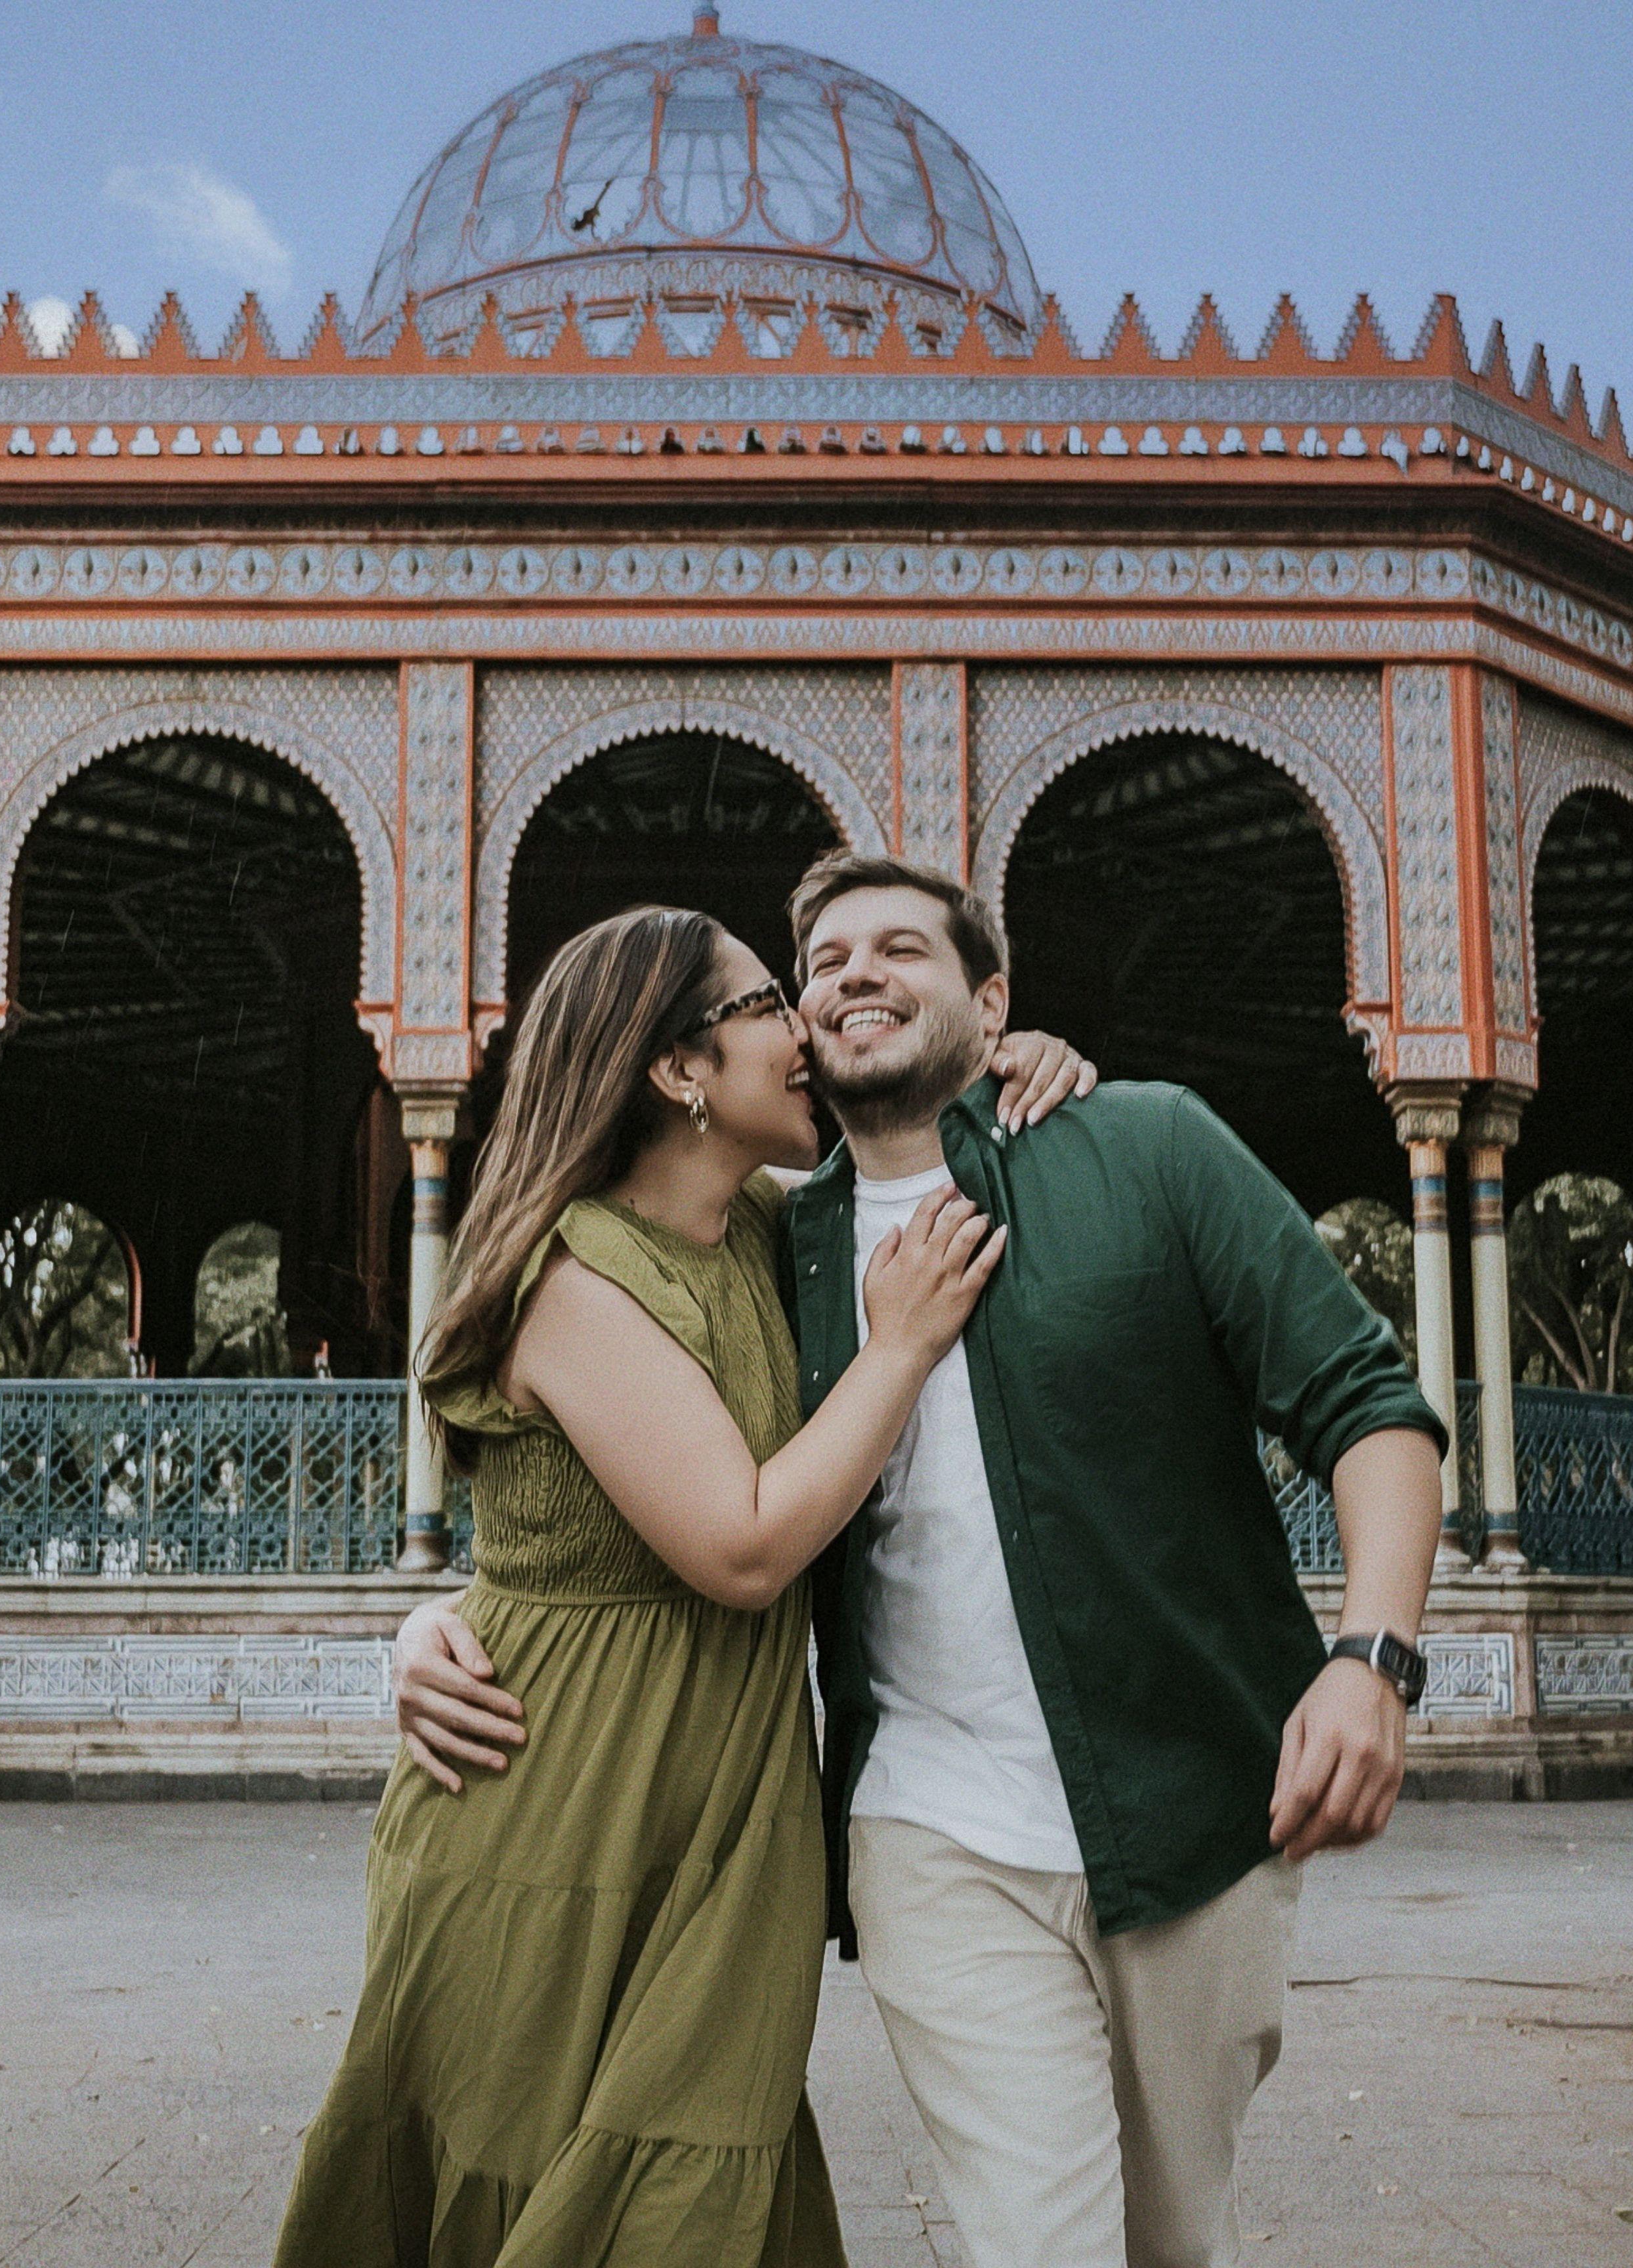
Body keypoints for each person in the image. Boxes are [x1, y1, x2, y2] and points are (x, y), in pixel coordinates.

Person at [396, 854, 1451, 2268]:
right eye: (816, 968)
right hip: (925, 1833)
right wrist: (434, 1618)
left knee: (1172, 2239)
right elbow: (607, 1463)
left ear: (993, 1004)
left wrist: (1370, 1659)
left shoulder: (1145, 1149)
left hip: (1196, 1810)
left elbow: (1369, 1407)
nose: (850, 979)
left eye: (900, 948)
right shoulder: (781, 1241)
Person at [274, 904, 1096, 2268]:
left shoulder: (765, 1232)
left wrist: (1010, 1060)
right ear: (676, 1070)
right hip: (556, 1821)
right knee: (550, 2189)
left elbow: (919, 1149)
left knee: (688, 2197)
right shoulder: (573, 1278)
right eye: (770, 1002)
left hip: (715, 1824)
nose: (806, 1026)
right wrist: (897, 1348)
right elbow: (744, 1548)